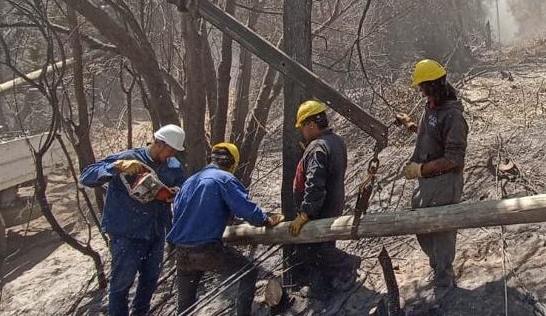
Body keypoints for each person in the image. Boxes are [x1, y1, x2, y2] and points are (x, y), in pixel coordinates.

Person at [80, 124, 187, 316]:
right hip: (126, 233)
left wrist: (173, 194)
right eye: (170, 150)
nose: (171, 155)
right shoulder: (129, 158)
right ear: (160, 143)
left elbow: (182, 186)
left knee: (149, 281)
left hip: (155, 232)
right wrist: (114, 167)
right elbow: (87, 177)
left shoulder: (173, 166)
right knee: (121, 284)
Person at [168, 142, 285, 316]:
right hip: (206, 249)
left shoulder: (190, 182)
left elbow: (180, 214)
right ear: (232, 164)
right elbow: (247, 210)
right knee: (248, 272)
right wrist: (266, 220)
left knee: (185, 306)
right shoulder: (224, 179)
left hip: (181, 251)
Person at [397, 59, 468, 294]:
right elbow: (432, 134)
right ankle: (437, 265)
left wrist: (421, 170)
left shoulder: (453, 116)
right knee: (421, 221)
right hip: (427, 182)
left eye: (422, 86)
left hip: (445, 181)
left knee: (442, 228)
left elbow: (453, 158)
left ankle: (444, 276)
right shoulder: (432, 107)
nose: (420, 91)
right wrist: (410, 125)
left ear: (433, 85)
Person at [288, 100, 359, 301]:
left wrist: (305, 213)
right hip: (333, 203)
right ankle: (321, 288)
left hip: (320, 208)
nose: (302, 132)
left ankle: (347, 263)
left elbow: (314, 183)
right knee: (321, 248)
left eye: (303, 127)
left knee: (315, 249)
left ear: (311, 125)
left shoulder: (318, 148)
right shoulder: (336, 141)